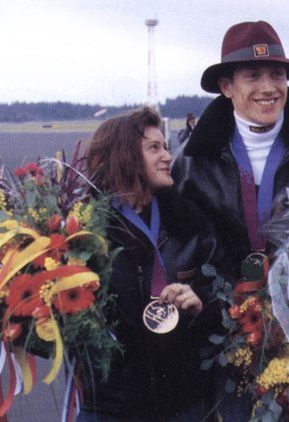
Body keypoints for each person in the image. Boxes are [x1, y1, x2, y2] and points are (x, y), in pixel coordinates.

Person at [170, 20, 289, 420]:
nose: (268, 87)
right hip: (233, 339)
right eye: (252, 75)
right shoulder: (190, 162)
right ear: (226, 86)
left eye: (277, 74)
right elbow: (180, 247)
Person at [80, 106, 218, 421]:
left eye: (165, 147)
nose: (168, 156)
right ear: (123, 156)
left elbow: (219, 293)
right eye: (154, 148)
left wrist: (201, 301)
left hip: (182, 404)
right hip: (111, 407)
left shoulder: (189, 223)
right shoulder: (83, 233)